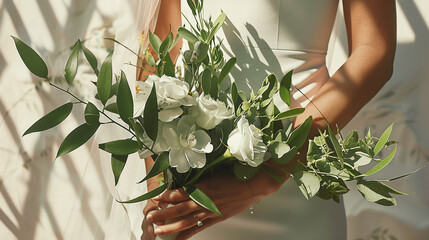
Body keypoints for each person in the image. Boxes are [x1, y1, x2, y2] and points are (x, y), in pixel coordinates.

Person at [140, 0, 396, 239]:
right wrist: (161, 185)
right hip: (192, 176)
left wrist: (269, 175)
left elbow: (374, 50)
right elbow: (158, 52)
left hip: (296, 167)